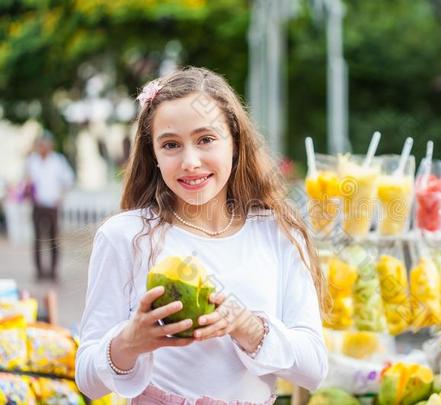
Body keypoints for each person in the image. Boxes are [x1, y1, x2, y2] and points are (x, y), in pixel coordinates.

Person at [75, 67, 328, 403]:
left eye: (206, 139)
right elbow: (87, 380)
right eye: (170, 145)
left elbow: (314, 369)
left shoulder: (278, 233)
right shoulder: (125, 236)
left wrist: (247, 326)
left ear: (235, 143)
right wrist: (129, 341)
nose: (190, 161)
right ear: (154, 155)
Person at [25, 132, 75, 280]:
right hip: (37, 205)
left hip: (52, 206)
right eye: (40, 145)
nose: (42, 148)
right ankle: (39, 272)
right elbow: (27, 180)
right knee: (37, 239)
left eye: (45, 145)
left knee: (53, 239)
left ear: (50, 146)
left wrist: (60, 196)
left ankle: (53, 271)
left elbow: (69, 180)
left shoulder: (58, 161)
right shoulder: (32, 161)